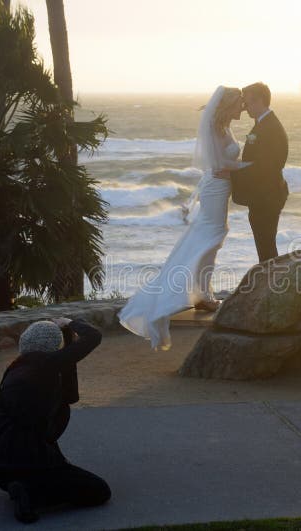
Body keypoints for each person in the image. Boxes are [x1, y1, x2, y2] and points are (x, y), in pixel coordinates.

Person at [118, 86, 249, 351]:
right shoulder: (214, 127)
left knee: (211, 237)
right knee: (212, 236)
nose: (243, 108)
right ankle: (199, 295)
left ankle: (203, 294)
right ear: (228, 105)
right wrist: (252, 167)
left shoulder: (223, 126)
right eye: (240, 103)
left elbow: (225, 161)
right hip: (216, 187)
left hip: (220, 187)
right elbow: (220, 165)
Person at [0, 317, 109, 524]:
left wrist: (66, 337)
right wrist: (70, 322)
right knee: (99, 491)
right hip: (27, 462)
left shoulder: (16, 367)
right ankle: (31, 495)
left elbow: (70, 397)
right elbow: (93, 336)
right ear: (52, 348)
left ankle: (23, 485)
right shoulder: (45, 365)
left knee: (57, 411)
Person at [223, 82, 289, 263]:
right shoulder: (262, 124)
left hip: (267, 197)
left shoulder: (270, 128)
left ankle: (273, 285)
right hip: (262, 196)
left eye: (247, 103)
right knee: (264, 245)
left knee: (266, 246)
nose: (244, 108)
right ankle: (271, 283)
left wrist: (231, 171)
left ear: (260, 100)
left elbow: (266, 167)